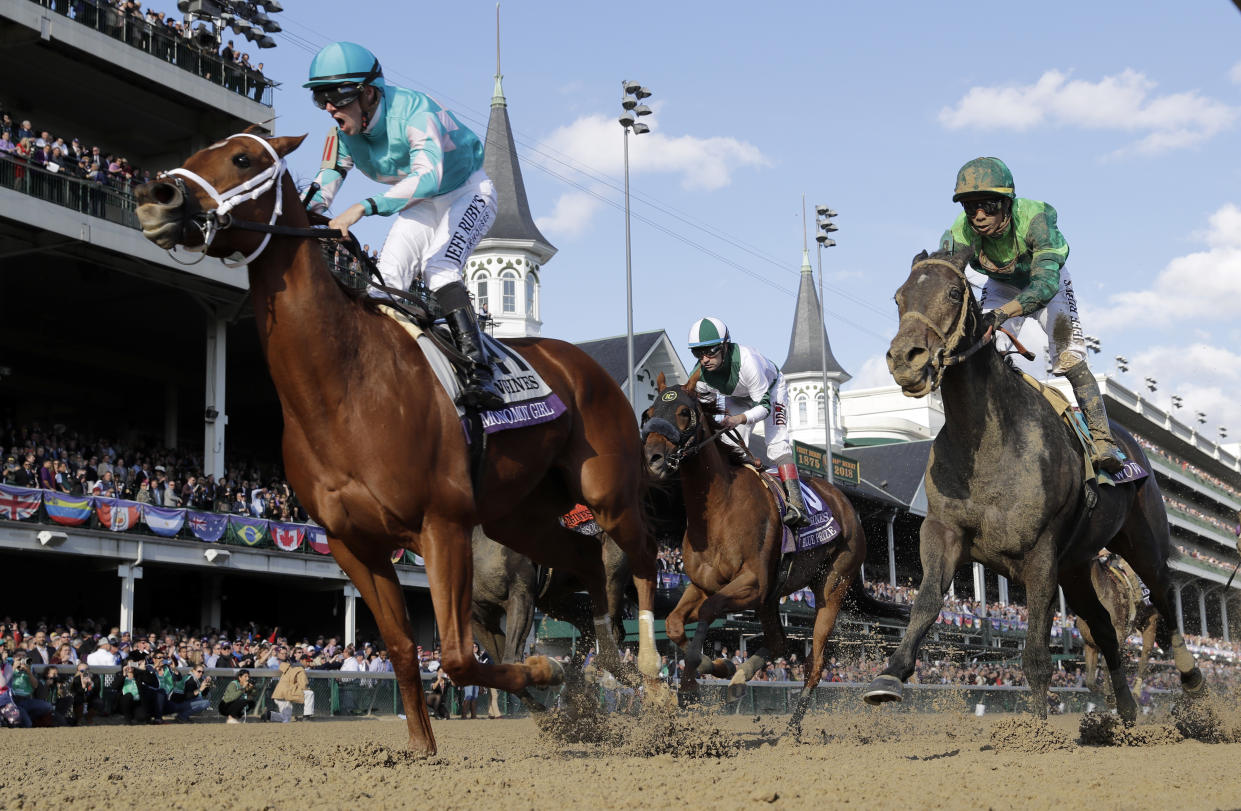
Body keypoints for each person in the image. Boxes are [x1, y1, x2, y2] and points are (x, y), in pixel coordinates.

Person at [303, 41, 502, 411]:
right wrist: (309, 213)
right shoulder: (342, 132)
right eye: (320, 97)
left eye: (337, 96)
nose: (329, 107)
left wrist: (363, 207)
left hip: (467, 191)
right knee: (384, 285)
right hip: (423, 202)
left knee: (439, 268)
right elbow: (330, 172)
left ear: (368, 93)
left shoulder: (415, 111)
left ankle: (481, 373)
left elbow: (428, 176)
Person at [939, 157, 1123, 473]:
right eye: (971, 207)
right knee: (982, 349)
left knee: (1069, 357)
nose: (979, 216)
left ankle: (1103, 441)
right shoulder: (960, 231)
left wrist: (1000, 314)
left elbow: (1045, 284)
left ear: (1008, 203)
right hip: (1002, 284)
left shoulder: (1035, 220)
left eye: (989, 205)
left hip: (1049, 283)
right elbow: (943, 274)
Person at [686, 316, 809, 526]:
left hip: (771, 392)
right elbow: (704, 412)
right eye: (698, 353)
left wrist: (739, 419)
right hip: (737, 396)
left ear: (725, 346)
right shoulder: (699, 375)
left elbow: (764, 407)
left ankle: (797, 505)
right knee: (732, 446)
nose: (704, 359)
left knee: (777, 445)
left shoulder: (748, 362)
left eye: (710, 351)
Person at [269, 655, 310, 723]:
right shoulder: (300, 669)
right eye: (307, 661)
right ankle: (307, 716)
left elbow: (282, 665)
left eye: (309, 662)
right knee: (310, 693)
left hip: (280, 693)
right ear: (301, 661)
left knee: (286, 717)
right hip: (285, 694)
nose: (308, 663)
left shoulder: (289, 666)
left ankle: (269, 715)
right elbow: (303, 685)